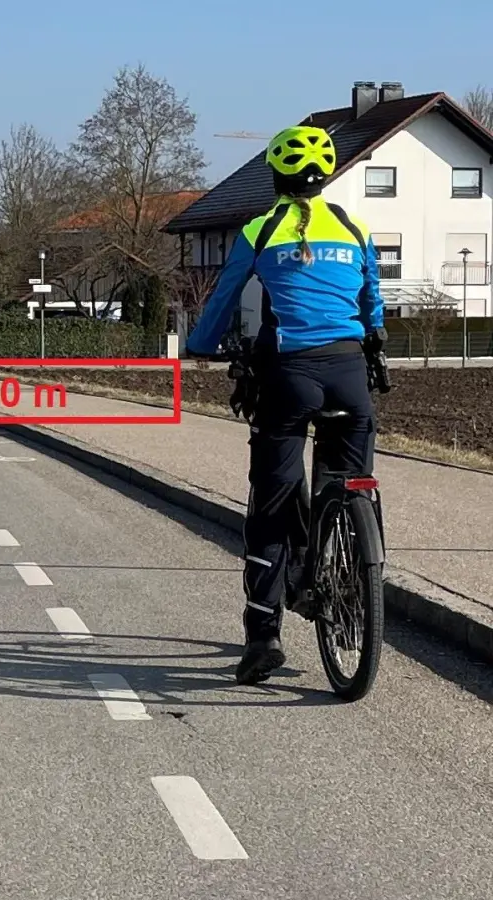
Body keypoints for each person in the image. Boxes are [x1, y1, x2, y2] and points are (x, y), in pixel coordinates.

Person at [183, 125, 387, 686]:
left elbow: (224, 295)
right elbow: (374, 299)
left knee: (271, 504)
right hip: (349, 374)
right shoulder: (353, 226)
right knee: (347, 481)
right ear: (326, 179)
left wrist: (201, 345)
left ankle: (263, 634)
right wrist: (374, 340)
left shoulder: (260, 228)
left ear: (276, 176)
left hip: (291, 375)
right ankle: (352, 591)